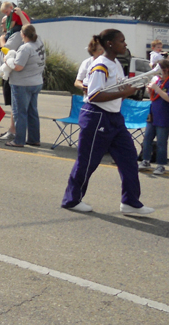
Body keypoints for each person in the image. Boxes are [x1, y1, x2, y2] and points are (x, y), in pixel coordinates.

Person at [61, 29, 155, 215]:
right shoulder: (100, 65)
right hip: (97, 116)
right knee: (87, 162)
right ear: (110, 44)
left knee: (129, 159)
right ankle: (71, 200)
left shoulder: (116, 63)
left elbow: (115, 90)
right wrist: (125, 93)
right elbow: (94, 95)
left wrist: (127, 89)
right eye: (122, 41)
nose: (125, 44)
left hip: (114, 117)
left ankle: (130, 202)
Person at [5, 24, 45, 148]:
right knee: (32, 111)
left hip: (22, 84)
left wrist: (8, 60)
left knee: (20, 112)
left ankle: (19, 140)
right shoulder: (39, 42)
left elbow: (18, 67)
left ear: (23, 35)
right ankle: (34, 138)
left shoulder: (25, 48)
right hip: (36, 81)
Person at [139, 59, 169, 175]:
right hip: (153, 115)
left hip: (164, 116)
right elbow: (154, 96)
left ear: (167, 70)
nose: (158, 74)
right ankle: (145, 160)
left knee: (161, 142)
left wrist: (157, 89)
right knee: (147, 139)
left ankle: (161, 165)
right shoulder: (158, 81)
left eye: (161, 70)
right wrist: (150, 89)